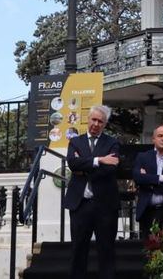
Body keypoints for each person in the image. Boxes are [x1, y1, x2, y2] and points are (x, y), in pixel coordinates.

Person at [63, 105, 120, 279]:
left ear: (105, 124)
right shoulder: (75, 141)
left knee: (106, 250)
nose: (96, 124)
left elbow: (110, 169)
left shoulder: (112, 142)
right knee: (78, 250)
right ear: (88, 119)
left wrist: (84, 166)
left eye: (100, 121)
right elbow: (73, 163)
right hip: (81, 205)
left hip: (105, 206)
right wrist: (99, 160)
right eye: (93, 119)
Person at [132, 124, 163, 238]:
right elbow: (137, 177)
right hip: (148, 211)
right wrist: (162, 178)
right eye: (160, 136)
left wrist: (148, 179)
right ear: (153, 139)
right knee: (149, 250)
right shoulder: (143, 157)